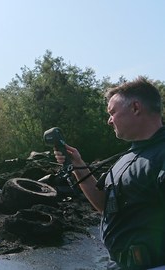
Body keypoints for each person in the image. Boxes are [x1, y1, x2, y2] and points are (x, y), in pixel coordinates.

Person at [53, 77, 165, 269]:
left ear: (136, 108)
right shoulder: (128, 157)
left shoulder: (160, 155)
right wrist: (78, 164)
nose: (109, 120)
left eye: (112, 112)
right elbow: (105, 205)